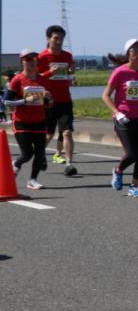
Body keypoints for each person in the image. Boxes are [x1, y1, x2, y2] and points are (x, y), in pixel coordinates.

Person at [101, 38, 138, 198]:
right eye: (135, 51)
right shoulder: (120, 72)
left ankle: (134, 186)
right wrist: (117, 112)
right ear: (128, 53)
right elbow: (105, 96)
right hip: (124, 118)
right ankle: (118, 170)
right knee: (132, 153)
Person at [5, 48, 53, 190]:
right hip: (22, 122)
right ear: (22, 62)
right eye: (28, 59)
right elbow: (7, 102)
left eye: (34, 59)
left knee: (40, 153)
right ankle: (16, 164)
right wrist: (25, 101)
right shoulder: (17, 80)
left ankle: (32, 180)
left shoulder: (42, 80)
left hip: (39, 121)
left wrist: (49, 99)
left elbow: (47, 103)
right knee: (27, 154)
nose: (31, 62)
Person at [38, 25, 79, 176]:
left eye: (61, 38)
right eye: (56, 38)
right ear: (48, 39)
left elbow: (69, 73)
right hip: (48, 101)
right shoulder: (41, 57)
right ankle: (39, 155)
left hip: (65, 100)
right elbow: (36, 78)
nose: (59, 41)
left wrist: (71, 73)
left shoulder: (67, 56)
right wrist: (50, 72)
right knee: (49, 134)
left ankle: (69, 164)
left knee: (67, 132)